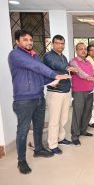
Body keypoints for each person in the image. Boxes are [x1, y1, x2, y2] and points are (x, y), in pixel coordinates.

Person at [8, 30, 70, 174]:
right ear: (17, 42)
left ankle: (39, 149)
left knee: (38, 126)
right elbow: (37, 67)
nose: (29, 42)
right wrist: (55, 74)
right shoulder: (15, 55)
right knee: (22, 131)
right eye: (25, 40)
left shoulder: (34, 55)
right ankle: (21, 161)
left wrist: (52, 81)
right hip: (23, 99)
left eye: (30, 39)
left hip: (38, 97)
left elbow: (41, 74)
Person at [43, 35, 76, 155]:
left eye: (62, 43)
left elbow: (63, 68)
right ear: (52, 44)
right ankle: (52, 144)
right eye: (57, 43)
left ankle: (61, 138)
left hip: (66, 91)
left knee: (64, 118)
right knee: (54, 120)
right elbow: (55, 64)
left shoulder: (64, 56)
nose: (60, 46)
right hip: (55, 92)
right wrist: (68, 67)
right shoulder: (48, 56)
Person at [69, 43, 94, 146]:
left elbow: (93, 75)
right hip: (79, 91)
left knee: (87, 112)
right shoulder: (73, 62)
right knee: (78, 114)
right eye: (80, 49)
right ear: (76, 51)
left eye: (84, 49)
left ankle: (83, 130)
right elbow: (79, 72)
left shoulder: (88, 62)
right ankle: (75, 136)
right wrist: (88, 77)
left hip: (90, 90)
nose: (83, 51)